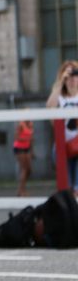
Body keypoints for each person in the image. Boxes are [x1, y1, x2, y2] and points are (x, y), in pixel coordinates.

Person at [46, 59, 78, 191]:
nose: (72, 79)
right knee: (66, 188)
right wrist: (60, 81)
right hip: (62, 146)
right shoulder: (59, 96)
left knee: (77, 188)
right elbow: (49, 107)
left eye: (75, 74)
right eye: (68, 75)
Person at [13, 114, 34, 197]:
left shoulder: (31, 125)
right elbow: (16, 137)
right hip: (19, 148)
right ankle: (22, 191)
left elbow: (31, 139)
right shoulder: (21, 125)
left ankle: (20, 189)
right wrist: (27, 139)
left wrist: (32, 151)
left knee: (29, 170)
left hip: (27, 148)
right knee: (24, 169)